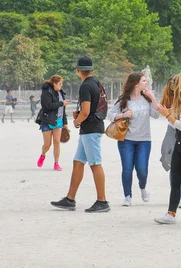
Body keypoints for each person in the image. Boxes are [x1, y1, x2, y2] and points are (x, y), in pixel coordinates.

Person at [51, 56, 110, 213]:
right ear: (92, 69)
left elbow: (86, 111)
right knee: (78, 162)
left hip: (90, 128)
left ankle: (102, 201)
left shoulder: (85, 86)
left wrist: (76, 121)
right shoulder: (97, 83)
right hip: (92, 127)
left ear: (78, 70)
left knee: (95, 164)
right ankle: (70, 198)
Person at [108, 72, 160, 206]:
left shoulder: (147, 99)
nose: (146, 83)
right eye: (144, 81)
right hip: (126, 140)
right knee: (127, 168)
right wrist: (123, 114)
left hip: (144, 140)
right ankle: (127, 196)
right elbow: (111, 115)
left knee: (142, 169)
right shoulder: (124, 99)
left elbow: (156, 114)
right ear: (136, 84)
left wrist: (153, 98)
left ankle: (142, 188)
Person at [154, 72, 181, 225]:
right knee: (176, 178)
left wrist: (167, 115)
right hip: (180, 145)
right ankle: (171, 213)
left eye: (174, 84)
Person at [159, 76, 181, 210]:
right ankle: (176, 194)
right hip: (171, 131)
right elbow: (160, 110)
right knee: (170, 162)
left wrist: (169, 113)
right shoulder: (168, 97)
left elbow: (180, 120)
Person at [37, 76, 70, 171]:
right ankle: (43, 155)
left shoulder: (60, 93)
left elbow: (63, 109)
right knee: (47, 144)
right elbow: (47, 106)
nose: (61, 86)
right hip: (47, 120)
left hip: (58, 120)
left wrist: (65, 122)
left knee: (57, 142)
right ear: (54, 84)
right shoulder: (46, 92)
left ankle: (56, 163)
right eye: (60, 84)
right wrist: (61, 103)